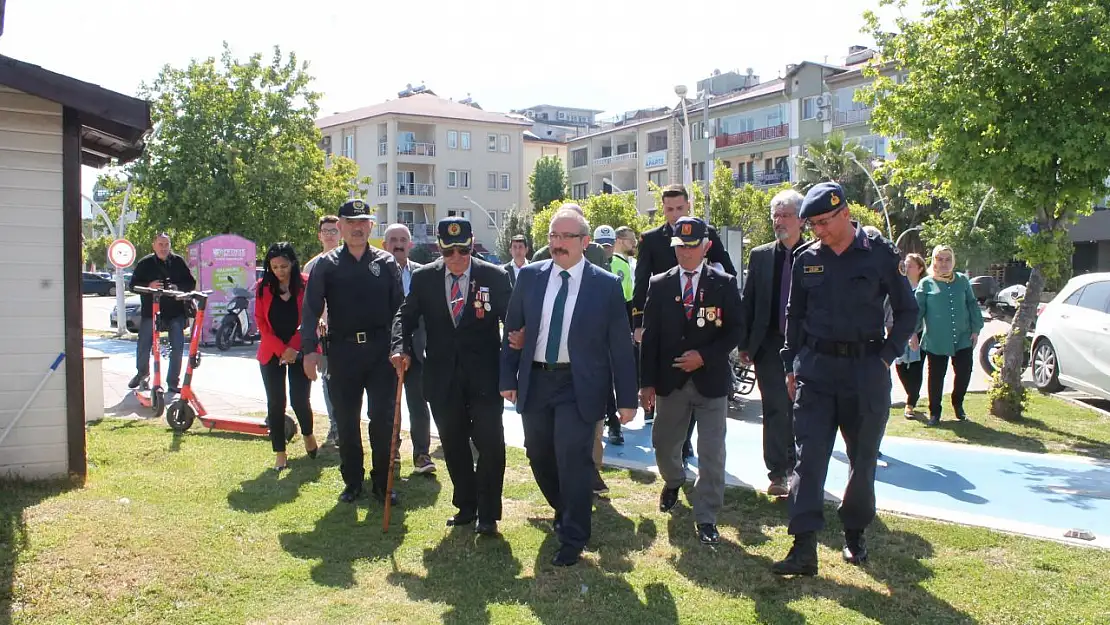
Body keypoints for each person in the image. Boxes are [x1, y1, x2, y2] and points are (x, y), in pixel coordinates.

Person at [771, 182, 917, 576]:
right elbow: (794, 318)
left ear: (845, 213)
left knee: (863, 459)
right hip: (816, 371)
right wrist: (790, 365)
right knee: (809, 459)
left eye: (822, 222)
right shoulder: (806, 259)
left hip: (865, 371)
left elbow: (908, 312)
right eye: (812, 224)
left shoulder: (879, 256)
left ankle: (854, 534)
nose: (818, 230)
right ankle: (804, 548)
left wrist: (887, 357)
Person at [499, 208, 638, 567]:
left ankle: (574, 534)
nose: (558, 244)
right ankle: (565, 509)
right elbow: (513, 330)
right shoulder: (530, 277)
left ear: (585, 242)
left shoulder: (605, 285)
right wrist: (507, 379)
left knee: (573, 457)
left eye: (566, 237)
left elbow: (620, 346)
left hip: (579, 383)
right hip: (537, 378)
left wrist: (626, 398)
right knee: (537, 452)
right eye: (553, 237)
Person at [391, 218, 512, 535]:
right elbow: (405, 316)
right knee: (454, 445)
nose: (456, 258)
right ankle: (466, 506)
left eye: (463, 250)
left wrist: (515, 354)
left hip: (485, 378)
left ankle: (488, 512)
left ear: (472, 244)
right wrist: (399, 347)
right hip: (442, 378)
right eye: (449, 251)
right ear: (439, 249)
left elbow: (512, 320)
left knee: (491, 444)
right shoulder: (424, 278)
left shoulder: (494, 277)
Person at [640, 217, 743, 545]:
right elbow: (650, 338)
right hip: (670, 382)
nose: (684, 252)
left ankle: (706, 515)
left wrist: (705, 356)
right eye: (679, 247)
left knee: (712, 451)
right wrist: (646, 383)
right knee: (664, 443)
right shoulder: (660, 284)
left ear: (706, 247)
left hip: (710, 382)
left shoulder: (724, 283)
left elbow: (735, 331)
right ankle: (673, 480)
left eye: (691, 246)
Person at [301, 199, 403, 505]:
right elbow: (310, 310)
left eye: (363, 223)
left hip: (381, 352)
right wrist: (309, 351)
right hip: (343, 351)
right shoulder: (326, 265)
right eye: (351, 223)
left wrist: (401, 348)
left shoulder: (385, 263)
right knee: (346, 420)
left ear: (371, 226)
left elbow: (400, 311)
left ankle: (383, 483)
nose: (357, 228)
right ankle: (353, 481)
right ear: (341, 227)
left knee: (382, 421)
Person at [633, 184, 737, 462]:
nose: (675, 214)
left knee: (698, 391)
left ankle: (686, 444)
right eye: (669, 209)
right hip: (667, 324)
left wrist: (711, 277)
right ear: (663, 209)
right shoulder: (652, 239)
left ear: (688, 206)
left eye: (680, 208)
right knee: (672, 396)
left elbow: (728, 271)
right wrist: (639, 323)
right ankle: (675, 456)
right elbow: (641, 284)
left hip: (703, 324)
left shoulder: (706, 234)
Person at [737, 189, 806, 498]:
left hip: (807, 346)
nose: (779, 222)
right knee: (775, 408)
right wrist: (745, 344)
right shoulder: (762, 256)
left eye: (785, 215)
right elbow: (748, 302)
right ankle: (778, 472)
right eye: (775, 216)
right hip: (769, 345)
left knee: (803, 409)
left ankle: (802, 470)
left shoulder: (816, 253)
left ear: (801, 220)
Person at [255, 242, 318, 472]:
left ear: (292, 263)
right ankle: (280, 453)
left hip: (300, 349)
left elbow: (311, 318)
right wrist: (280, 349)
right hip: (272, 351)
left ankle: (309, 435)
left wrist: (293, 348)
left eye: (283, 266)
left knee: (300, 400)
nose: (280, 271)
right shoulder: (262, 287)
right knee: (276, 402)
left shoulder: (306, 284)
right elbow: (261, 323)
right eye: (274, 267)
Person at [383, 223, 437, 475]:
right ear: (385, 245)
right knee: (387, 405)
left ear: (410, 244)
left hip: (417, 350)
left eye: (402, 239)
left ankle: (422, 455)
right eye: (392, 239)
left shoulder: (422, 274)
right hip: (387, 353)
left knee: (418, 403)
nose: (398, 243)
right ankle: (391, 452)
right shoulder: (376, 274)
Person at [913, 245, 983, 426]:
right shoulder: (926, 283)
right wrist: (912, 333)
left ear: (953, 261)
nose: (944, 263)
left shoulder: (962, 281)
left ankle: (957, 404)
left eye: (947, 259)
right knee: (936, 376)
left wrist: (975, 330)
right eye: (940, 259)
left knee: (964, 373)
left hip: (963, 337)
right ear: (934, 261)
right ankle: (934, 412)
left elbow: (972, 304)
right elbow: (918, 311)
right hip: (936, 339)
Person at [127, 233, 197, 394]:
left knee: (177, 347)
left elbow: (191, 283)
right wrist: (148, 285)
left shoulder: (178, 261)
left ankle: (173, 382)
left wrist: (178, 288)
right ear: (154, 245)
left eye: (166, 244)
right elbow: (132, 285)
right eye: (160, 244)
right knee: (144, 344)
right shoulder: (145, 263)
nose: (164, 248)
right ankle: (142, 375)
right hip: (151, 312)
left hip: (175, 312)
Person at [303, 215, 342, 448]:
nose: (329, 234)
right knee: (328, 381)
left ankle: (347, 425)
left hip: (348, 331)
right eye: (325, 231)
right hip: (324, 334)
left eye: (334, 230)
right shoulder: (312, 266)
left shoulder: (349, 261)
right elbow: (308, 304)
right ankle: (334, 426)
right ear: (319, 235)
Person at [595, 224, 628, 449]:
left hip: (612, 330)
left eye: (609, 245)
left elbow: (628, 299)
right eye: (602, 245)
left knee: (611, 377)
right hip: (592, 332)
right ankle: (610, 421)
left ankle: (614, 421)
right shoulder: (586, 263)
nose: (606, 249)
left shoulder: (621, 266)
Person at [530, 203, 611, 271]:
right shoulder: (541, 256)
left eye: (567, 236)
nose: (559, 244)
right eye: (554, 235)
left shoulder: (596, 253)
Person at [896, 253, 927, 418]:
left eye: (911, 265)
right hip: (900, 332)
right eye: (905, 265)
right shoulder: (899, 286)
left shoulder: (924, 287)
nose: (907, 268)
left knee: (916, 366)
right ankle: (912, 394)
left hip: (920, 332)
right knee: (900, 365)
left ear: (920, 269)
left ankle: (910, 403)